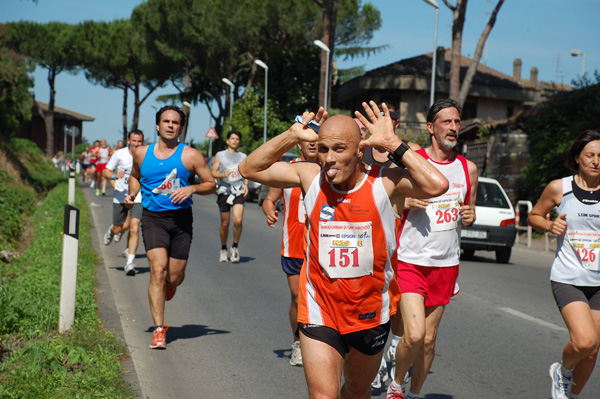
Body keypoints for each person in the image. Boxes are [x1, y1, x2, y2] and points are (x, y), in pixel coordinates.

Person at [239, 101, 448, 399]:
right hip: (319, 308)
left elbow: (437, 185)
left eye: (339, 149)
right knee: (324, 395)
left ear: (358, 150)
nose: (329, 158)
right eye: (324, 149)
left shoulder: (384, 181)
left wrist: (393, 144)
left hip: (369, 312)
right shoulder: (309, 176)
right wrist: (291, 135)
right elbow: (249, 168)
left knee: (356, 390)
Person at [387, 98, 478, 399]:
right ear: (430, 127)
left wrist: (470, 215)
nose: (454, 128)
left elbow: (469, 210)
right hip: (412, 260)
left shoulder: (469, 169)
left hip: (446, 264)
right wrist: (407, 202)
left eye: (457, 122)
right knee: (414, 335)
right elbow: (388, 200)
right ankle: (396, 385)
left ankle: (413, 393)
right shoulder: (414, 160)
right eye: (446, 122)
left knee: (428, 341)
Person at [125, 105, 216, 350]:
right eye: (166, 121)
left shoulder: (191, 156)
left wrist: (192, 188)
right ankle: (158, 329)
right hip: (153, 219)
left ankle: (170, 286)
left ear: (181, 128)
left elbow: (211, 184)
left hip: (181, 220)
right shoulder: (142, 153)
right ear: (157, 125)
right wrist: (132, 194)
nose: (170, 125)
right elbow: (135, 175)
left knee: (174, 277)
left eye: (175, 122)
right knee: (158, 270)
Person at [528, 130, 600, 399]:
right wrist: (548, 224)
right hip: (568, 276)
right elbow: (534, 215)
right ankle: (563, 370)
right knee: (584, 341)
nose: (596, 161)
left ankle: (569, 394)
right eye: (590, 155)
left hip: (599, 281)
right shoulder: (560, 188)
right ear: (577, 158)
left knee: (592, 352)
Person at [262, 140, 318, 367]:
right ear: (300, 143)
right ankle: (298, 343)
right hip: (294, 247)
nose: (313, 144)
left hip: (323, 247)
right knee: (298, 297)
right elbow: (269, 199)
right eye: (308, 140)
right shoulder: (288, 170)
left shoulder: (328, 169)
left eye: (317, 140)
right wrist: (270, 212)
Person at [102, 129, 145, 276]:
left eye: (139, 141)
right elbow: (105, 172)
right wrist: (114, 176)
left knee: (134, 227)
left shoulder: (145, 155)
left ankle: (130, 263)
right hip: (120, 196)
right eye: (134, 141)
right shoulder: (120, 154)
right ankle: (111, 231)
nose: (136, 144)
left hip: (137, 197)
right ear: (128, 141)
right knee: (118, 228)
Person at [212, 130, 248, 263]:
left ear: (239, 142)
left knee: (238, 220)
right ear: (227, 141)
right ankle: (223, 249)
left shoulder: (243, 156)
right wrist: (223, 175)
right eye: (232, 138)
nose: (234, 141)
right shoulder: (220, 155)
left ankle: (235, 247)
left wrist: (246, 185)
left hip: (238, 190)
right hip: (224, 191)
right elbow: (214, 173)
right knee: (225, 223)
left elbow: (246, 172)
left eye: (237, 139)